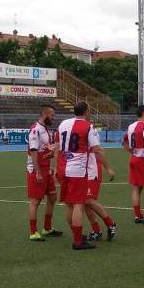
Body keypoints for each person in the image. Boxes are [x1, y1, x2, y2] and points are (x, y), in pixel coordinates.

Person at [56, 101, 114, 250]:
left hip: (64, 168)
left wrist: (56, 166)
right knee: (79, 204)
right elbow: (98, 150)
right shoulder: (88, 127)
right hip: (78, 170)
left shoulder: (62, 124)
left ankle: (84, 234)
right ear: (87, 111)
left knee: (71, 204)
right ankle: (79, 240)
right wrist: (108, 167)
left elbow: (57, 145)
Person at [26, 104, 62, 241]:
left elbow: (44, 150)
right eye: (52, 115)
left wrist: (52, 154)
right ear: (45, 114)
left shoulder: (45, 130)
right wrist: (38, 172)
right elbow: (34, 152)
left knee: (52, 198)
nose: (54, 118)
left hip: (46, 169)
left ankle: (47, 228)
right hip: (37, 169)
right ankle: (33, 232)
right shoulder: (35, 130)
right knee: (35, 201)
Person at [84, 150, 118, 241]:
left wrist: (108, 169)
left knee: (88, 200)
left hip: (92, 171)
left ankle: (110, 223)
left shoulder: (91, 135)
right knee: (84, 202)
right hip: (81, 171)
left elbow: (99, 151)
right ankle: (96, 230)